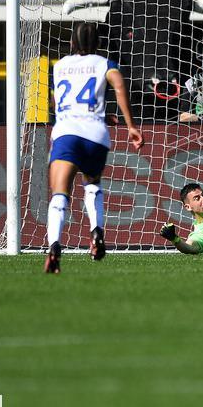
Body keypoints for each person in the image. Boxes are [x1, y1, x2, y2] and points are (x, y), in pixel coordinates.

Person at [44, 23, 143, 273]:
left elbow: (56, 103)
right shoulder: (104, 63)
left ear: (71, 43)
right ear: (98, 43)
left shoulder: (60, 66)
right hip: (95, 135)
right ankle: (97, 231)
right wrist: (130, 126)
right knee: (93, 184)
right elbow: (120, 87)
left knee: (59, 194)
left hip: (67, 132)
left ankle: (54, 245)